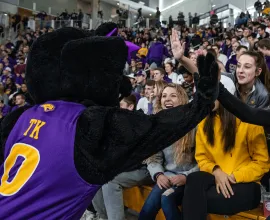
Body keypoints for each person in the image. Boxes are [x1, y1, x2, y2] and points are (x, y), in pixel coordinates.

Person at [0, 25, 219, 219]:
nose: (122, 86)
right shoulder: (89, 124)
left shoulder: (20, 117)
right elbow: (158, 127)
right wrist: (203, 99)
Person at [182, 67, 269, 219]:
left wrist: (233, 177)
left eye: (211, 96)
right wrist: (217, 171)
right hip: (216, 177)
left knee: (192, 198)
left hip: (245, 182)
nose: (206, 100)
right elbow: (202, 158)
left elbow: (262, 163)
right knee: (194, 180)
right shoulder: (204, 122)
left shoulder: (250, 122)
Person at [139, 84, 197, 220]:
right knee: (147, 211)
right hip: (168, 176)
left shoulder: (195, 125)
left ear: (182, 99)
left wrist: (187, 177)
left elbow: (204, 160)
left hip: (191, 178)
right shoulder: (161, 126)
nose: (167, 99)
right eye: (164, 96)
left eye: (173, 95)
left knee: (166, 200)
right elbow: (154, 157)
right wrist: (158, 174)